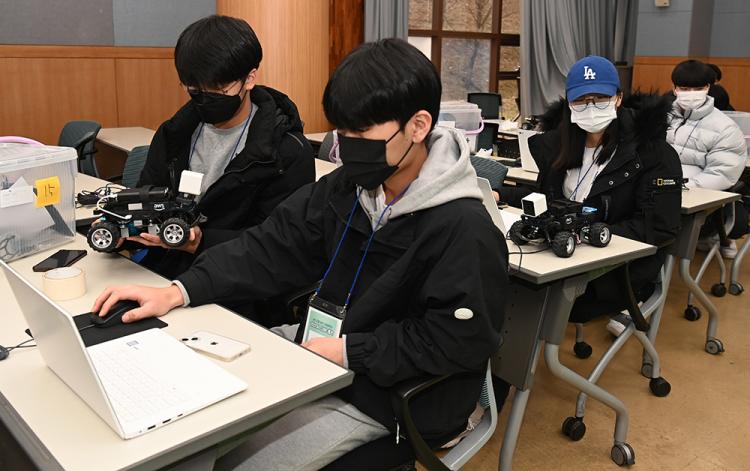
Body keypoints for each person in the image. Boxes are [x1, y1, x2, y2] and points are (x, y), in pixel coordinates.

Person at [92, 38, 509, 470]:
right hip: (324, 354)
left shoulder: (464, 229)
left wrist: (351, 352)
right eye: (342, 133)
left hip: (392, 397)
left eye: (362, 134)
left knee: (239, 464)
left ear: (418, 126)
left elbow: (457, 341)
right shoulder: (348, 188)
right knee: (188, 412)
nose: (348, 147)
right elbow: (270, 245)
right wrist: (179, 291)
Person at [127, 15, 315, 292]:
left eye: (218, 88)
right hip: (165, 274)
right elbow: (148, 194)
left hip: (237, 289)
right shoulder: (175, 134)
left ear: (249, 78)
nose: (205, 98)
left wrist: (200, 242)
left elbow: (278, 245)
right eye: (195, 90)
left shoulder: (286, 153)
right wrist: (128, 227)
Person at [500, 55, 682, 336]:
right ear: (569, 104)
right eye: (581, 101)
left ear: (618, 98)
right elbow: (547, 199)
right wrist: (500, 194)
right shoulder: (561, 145)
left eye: (600, 98)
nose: (591, 107)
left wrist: (583, 235)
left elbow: (659, 227)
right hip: (561, 254)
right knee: (501, 276)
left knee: (519, 294)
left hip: (617, 266)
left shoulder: (652, 153)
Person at [667, 59, 747, 258]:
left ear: (708, 88)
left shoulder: (725, 128)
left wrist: (683, 188)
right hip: (658, 193)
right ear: (675, 89)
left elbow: (721, 174)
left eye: (698, 88)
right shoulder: (661, 116)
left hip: (697, 201)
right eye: (685, 88)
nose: (691, 94)